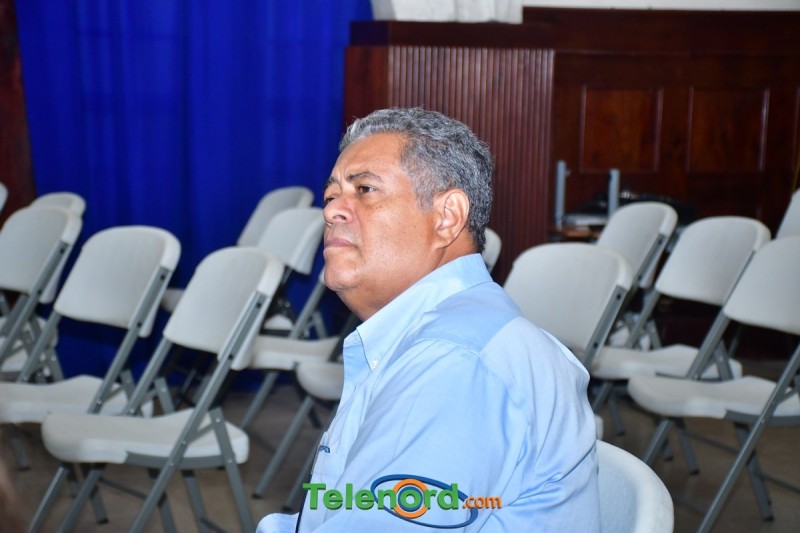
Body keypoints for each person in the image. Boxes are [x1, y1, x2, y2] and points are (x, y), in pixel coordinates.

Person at [257, 107, 599, 532]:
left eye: (365, 189)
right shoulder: (439, 334)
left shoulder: (454, 360)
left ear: (447, 217)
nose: (331, 212)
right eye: (330, 196)